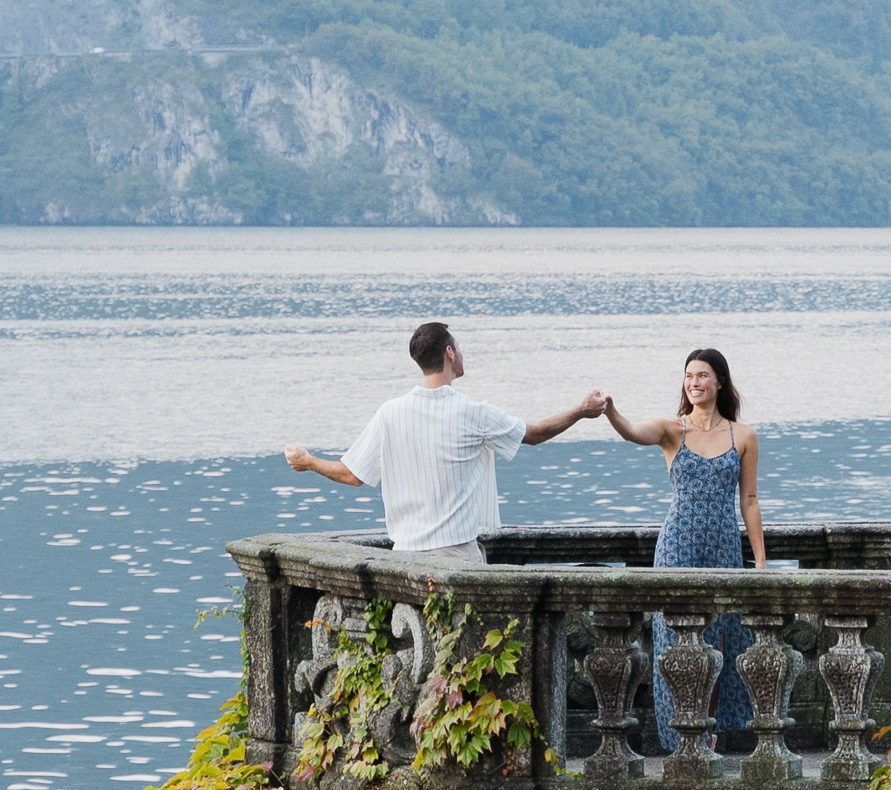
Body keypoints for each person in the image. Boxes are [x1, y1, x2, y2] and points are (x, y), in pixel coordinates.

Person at [285, 321, 602, 554]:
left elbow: (352, 474)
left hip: (405, 558)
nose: (462, 353)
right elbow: (534, 434)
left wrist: (309, 461)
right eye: (459, 347)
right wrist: (581, 410)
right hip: (457, 556)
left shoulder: (389, 413)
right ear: (449, 353)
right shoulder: (474, 413)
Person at [600, 348, 766, 750]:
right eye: (689, 376)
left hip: (724, 545)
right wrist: (610, 411)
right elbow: (632, 432)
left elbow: (749, 501)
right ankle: (681, 734)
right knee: (676, 642)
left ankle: (709, 730)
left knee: (721, 640)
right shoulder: (673, 430)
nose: (694, 383)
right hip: (677, 544)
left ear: (720, 381)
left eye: (703, 375)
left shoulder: (742, 435)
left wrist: (760, 561)